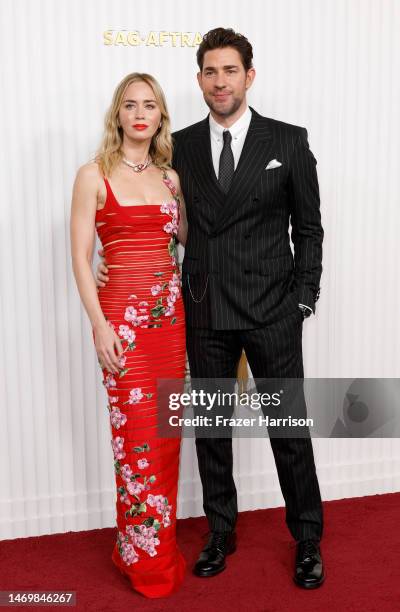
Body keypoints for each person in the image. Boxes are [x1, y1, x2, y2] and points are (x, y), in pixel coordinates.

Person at [97, 27, 325, 589]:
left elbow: (310, 227)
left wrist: (303, 299)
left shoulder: (288, 141)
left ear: (249, 76)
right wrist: (105, 258)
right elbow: (152, 215)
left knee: (288, 427)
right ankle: (221, 531)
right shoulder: (183, 149)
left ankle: (308, 538)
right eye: (209, 72)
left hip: (273, 310)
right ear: (199, 79)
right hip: (203, 309)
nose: (219, 82)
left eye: (230, 71)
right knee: (212, 430)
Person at [70, 72, 187, 598]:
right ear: (117, 114)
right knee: (134, 444)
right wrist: (99, 326)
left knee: (164, 443)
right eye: (130, 105)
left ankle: (146, 547)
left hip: (171, 324)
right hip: (124, 329)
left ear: (161, 115)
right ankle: (145, 561)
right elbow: (79, 256)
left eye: (150, 105)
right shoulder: (92, 175)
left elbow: (186, 242)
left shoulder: (171, 179)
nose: (140, 113)